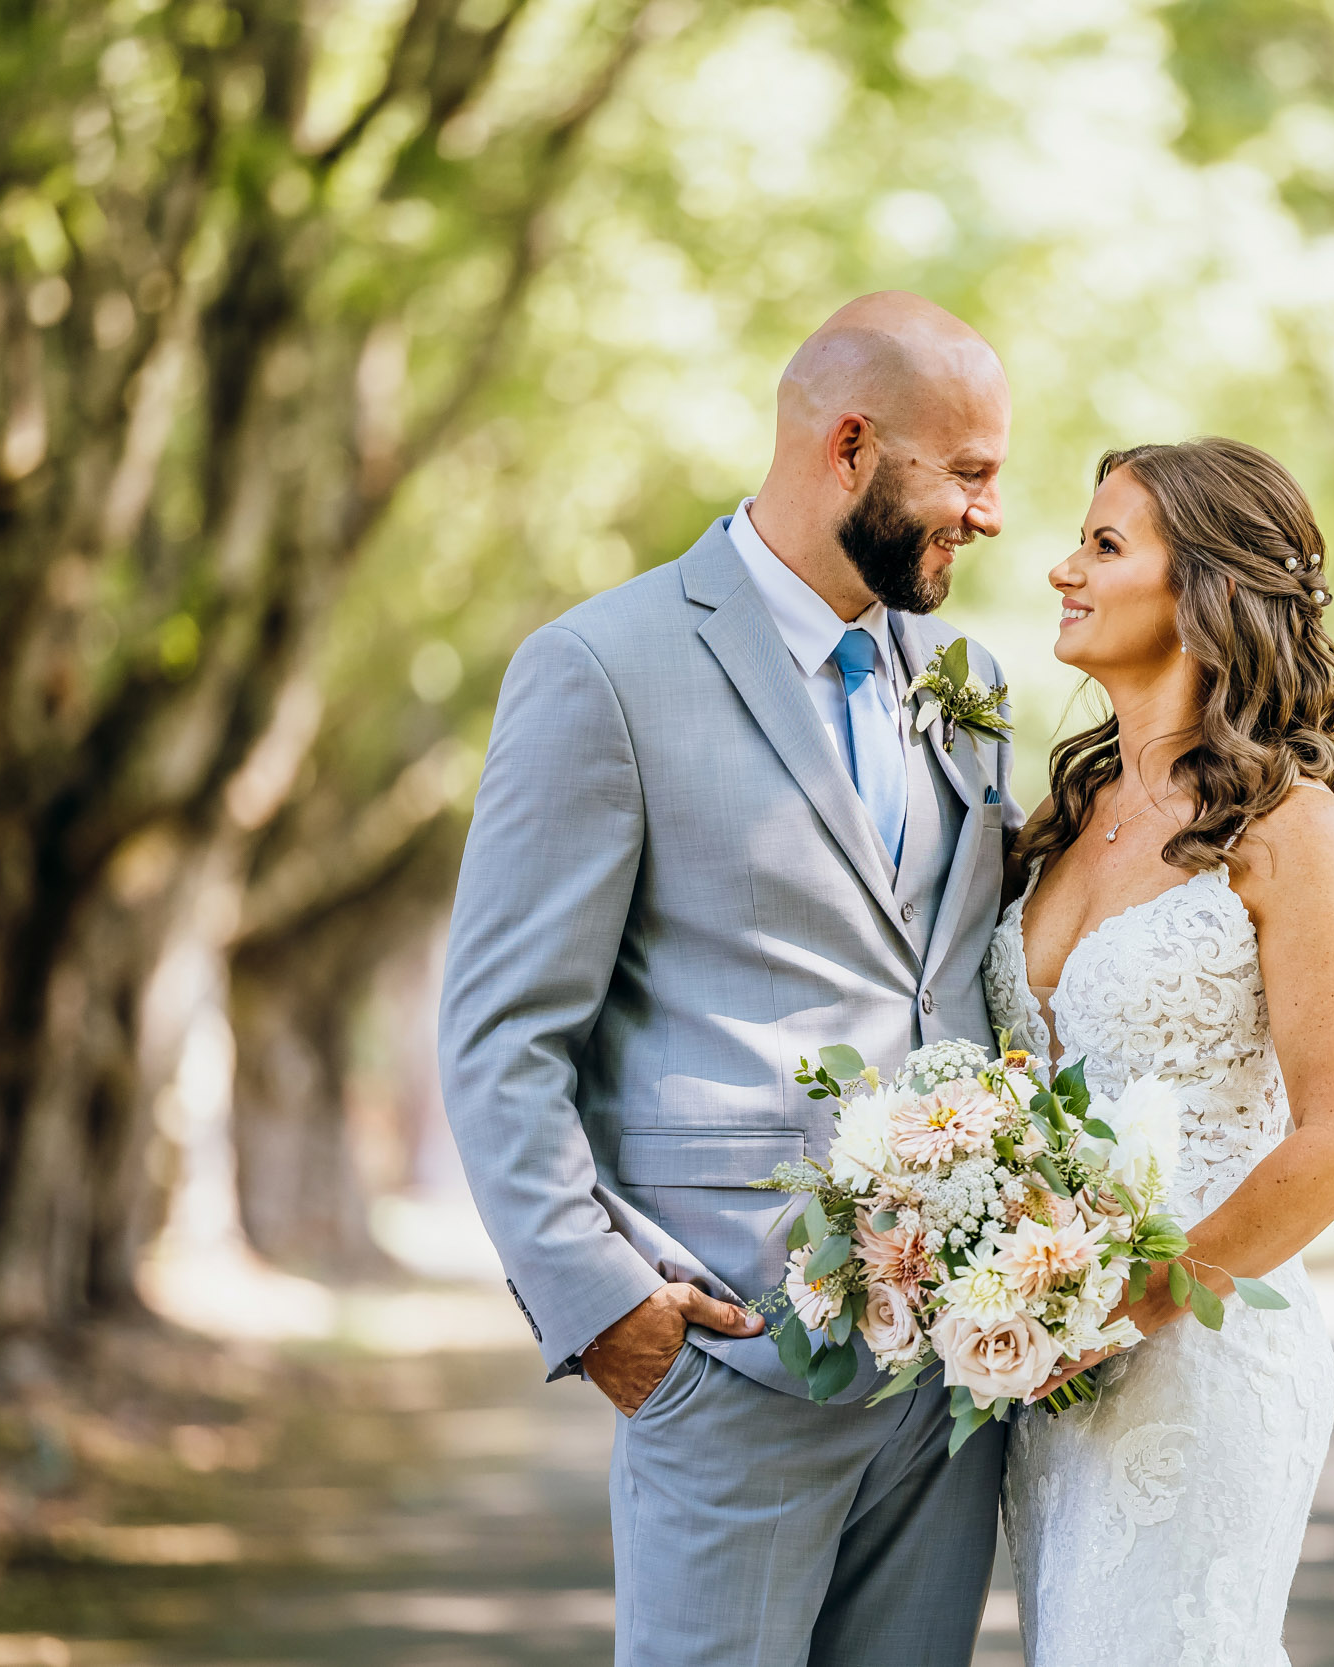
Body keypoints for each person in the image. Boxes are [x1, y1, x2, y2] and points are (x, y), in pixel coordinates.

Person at [437, 291, 1018, 1666]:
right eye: (971, 472)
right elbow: (501, 1033)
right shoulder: (602, 668)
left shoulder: (968, 675)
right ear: (852, 444)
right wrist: (601, 1307)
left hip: (947, 1384)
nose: (993, 515)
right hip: (733, 1355)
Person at [983, 437, 1334, 1663]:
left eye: (1105, 546)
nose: (1062, 566)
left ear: (1204, 589)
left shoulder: (1292, 830)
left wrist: (1128, 1302)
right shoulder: (1059, 822)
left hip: (1201, 1350)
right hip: (1046, 1368)